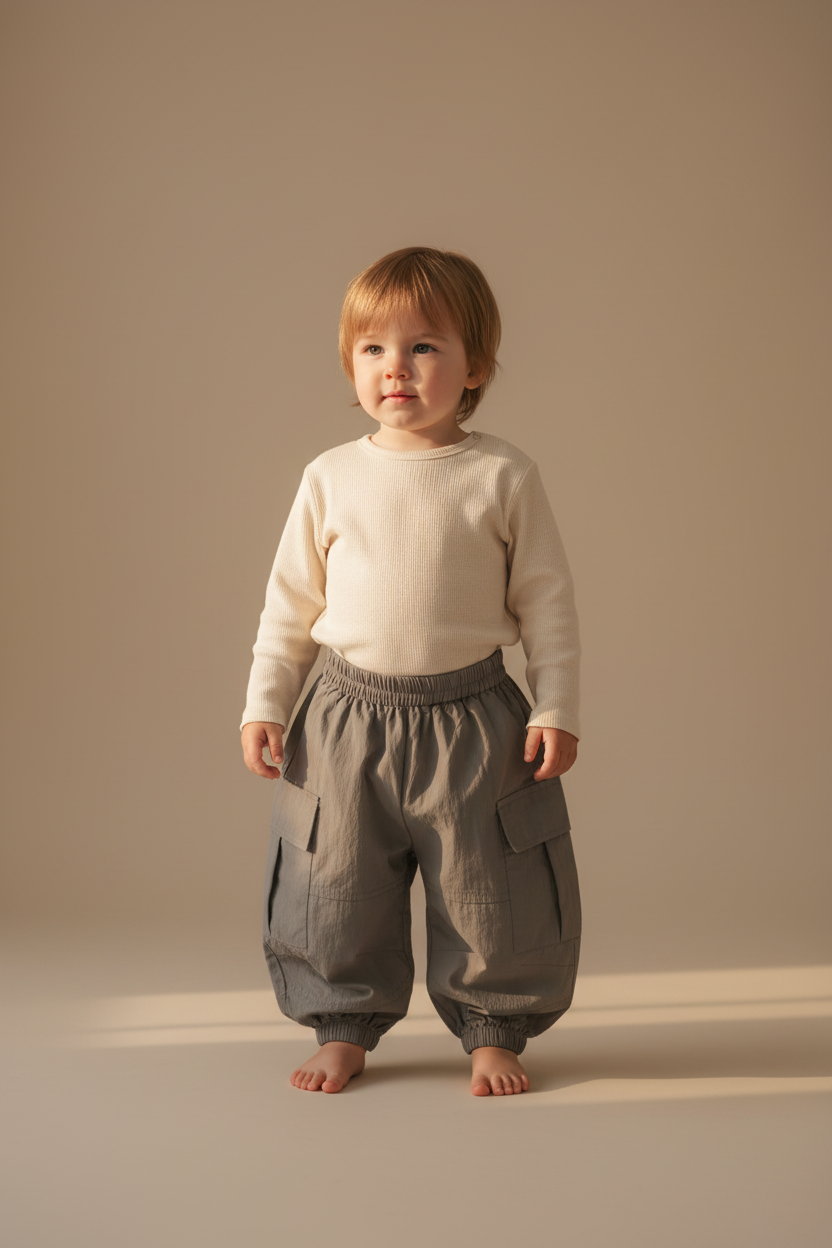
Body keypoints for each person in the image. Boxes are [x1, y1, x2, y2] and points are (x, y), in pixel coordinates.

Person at [240, 245, 582, 1097]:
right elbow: (288, 609)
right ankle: (343, 1023)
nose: (397, 368)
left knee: (490, 882)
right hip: (345, 718)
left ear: (477, 366)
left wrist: (556, 708)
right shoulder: (331, 477)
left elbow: (548, 603)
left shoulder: (501, 474)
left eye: (425, 346)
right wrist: (265, 705)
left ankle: (493, 1028)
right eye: (374, 349)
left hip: (477, 716)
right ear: (351, 365)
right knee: (336, 878)